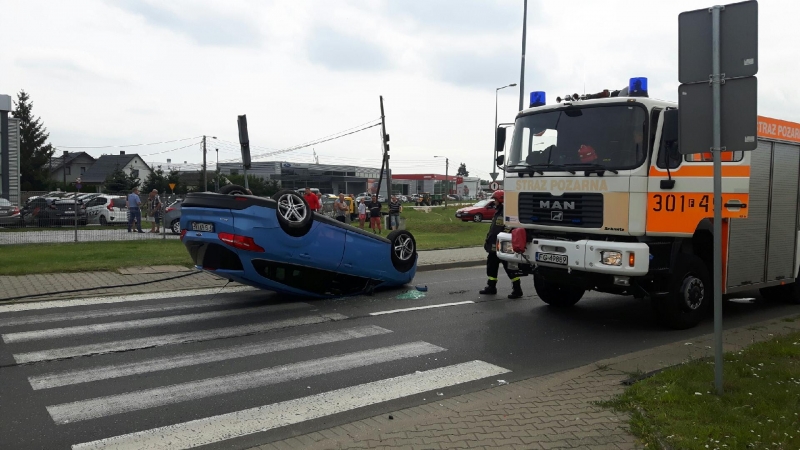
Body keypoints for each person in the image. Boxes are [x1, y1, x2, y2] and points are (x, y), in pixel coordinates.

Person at [479, 190, 524, 299]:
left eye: (495, 200)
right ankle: (491, 287)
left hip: (503, 246)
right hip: (494, 245)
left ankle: (517, 289)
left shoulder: (507, 212)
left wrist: (503, 241)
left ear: (500, 200)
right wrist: (488, 241)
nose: (494, 202)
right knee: (491, 266)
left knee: (510, 268)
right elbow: (494, 229)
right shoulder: (498, 211)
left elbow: (509, 228)